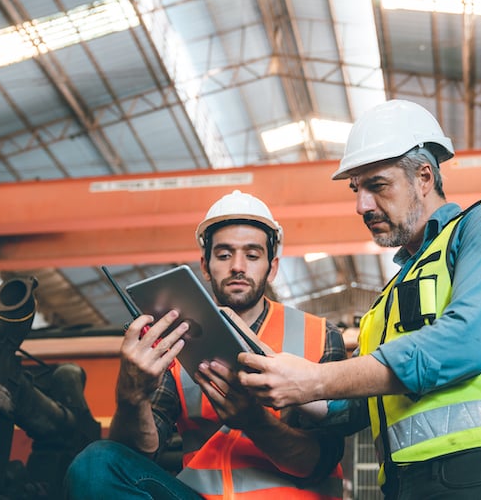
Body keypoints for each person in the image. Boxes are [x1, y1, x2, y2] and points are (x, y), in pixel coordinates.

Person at [238, 99, 481, 499]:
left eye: (377, 186)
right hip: (408, 485)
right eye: (357, 190)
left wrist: (315, 379)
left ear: (424, 177)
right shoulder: (386, 299)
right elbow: (361, 404)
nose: (361, 205)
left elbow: (466, 342)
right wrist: (276, 377)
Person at [64, 190, 347, 499]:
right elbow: (138, 456)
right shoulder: (171, 342)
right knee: (96, 463)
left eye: (252, 255)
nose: (238, 266)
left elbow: (321, 460)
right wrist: (131, 396)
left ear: (273, 266)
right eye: (224, 254)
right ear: (204, 264)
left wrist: (255, 422)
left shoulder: (319, 334)